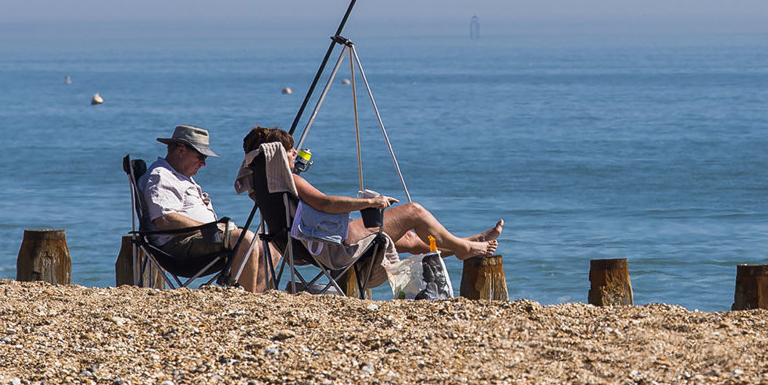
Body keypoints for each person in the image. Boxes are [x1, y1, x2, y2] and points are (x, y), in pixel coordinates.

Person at [240, 126, 502, 258]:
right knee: (414, 211)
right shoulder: (290, 180)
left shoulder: (263, 185)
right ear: (274, 156)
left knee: (409, 240)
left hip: (299, 245)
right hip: (328, 245)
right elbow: (326, 204)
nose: (294, 153)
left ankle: (464, 244)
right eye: (288, 150)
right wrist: (371, 203)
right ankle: (465, 247)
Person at [141, 124, 276, 292]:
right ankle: (248, 304)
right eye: (200, 156)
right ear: (181, 150)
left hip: (203, 239)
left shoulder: (181, 177)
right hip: (178, 247)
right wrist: (211, 228)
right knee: (246, 239)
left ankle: (256, 298)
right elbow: (165, 220)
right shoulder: (161, 176)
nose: (203, 163)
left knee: (272, 247)